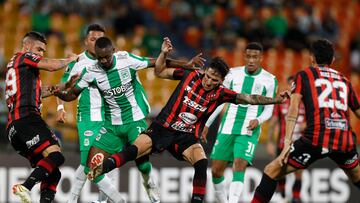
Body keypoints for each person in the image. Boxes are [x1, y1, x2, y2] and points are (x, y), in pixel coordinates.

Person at [86, 37, 288, 203]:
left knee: (201, 162)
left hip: (186, 136)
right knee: (134, 150)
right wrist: (164, 54)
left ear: (221, 82)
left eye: (214, 80)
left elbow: (250, 98)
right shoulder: (190, 75)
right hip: (162, 127)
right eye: (208, 76)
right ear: (205, 72)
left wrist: (277, 100)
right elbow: (159, 71)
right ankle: (103, 168)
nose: (209, 81)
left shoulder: (221, 93)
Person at [54, 36, 204, 203]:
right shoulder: (90, 72)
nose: (103, 61)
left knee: (143, 165)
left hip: (135, 122)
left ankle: (148, 182)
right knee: (92, 168)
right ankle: (119, 201)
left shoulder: (126, 59)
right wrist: (60, 93)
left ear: (114, 51)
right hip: (111, 126)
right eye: (100, 57)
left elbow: (156, 62)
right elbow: (72, 95)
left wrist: (186, 65)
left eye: (107, 56)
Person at [251, 39, 360, 203]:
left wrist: (287, 142)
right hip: (344, 141)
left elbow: (293, 110)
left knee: (271, 171)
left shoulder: (304, 75)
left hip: (315, 139)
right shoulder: (345, 81)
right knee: (357, 179)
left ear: (312, 57)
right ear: (332, 60)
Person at [56, 23, 155, 203]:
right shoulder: (78, 63)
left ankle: (104, 201)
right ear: (86, 41)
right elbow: (62, 87)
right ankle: (80, 200)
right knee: (88, 164)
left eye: (99, 39)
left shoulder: (119, 60)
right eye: (93, 39)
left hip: (109, 117)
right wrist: (60, 107)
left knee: (110, 164)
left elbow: (146, 66)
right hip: (88, 117)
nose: (96, 43)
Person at [5, 31, 77, 203]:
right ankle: (25, 187)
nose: (41, 54)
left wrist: (62, 87)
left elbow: (39, 92)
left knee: (53, 172)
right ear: (27, 46)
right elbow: (50, 66)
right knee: (57, 156)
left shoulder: (21, 69)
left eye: (43, 51)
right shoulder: (23, 57)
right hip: (27, 118)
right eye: (38, 49)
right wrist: (69, 60)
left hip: (15, 129)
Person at [201, 42, 278, 203]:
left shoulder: (270, 80)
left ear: (261, 58)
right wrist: (207, 124)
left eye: (255, 57)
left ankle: (234, 201)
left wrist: (259, 119)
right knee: (216, 171)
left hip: (249, 129)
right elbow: (220, 102)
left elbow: (269, 109)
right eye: (248, 56)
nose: (251, 60)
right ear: (244, 56)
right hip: (227, 126)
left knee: (239, 164)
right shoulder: (232, 75)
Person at [266, 76, 306, 203]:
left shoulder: (306, 102)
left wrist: (306, 125)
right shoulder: (282, 102)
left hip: (300, 143)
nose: (293, 88)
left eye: (295, 85)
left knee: (299, 172)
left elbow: (313, 121)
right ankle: (282, 191)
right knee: (280, 171)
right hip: (283, 143)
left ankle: (296, 197)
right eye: (291, 85)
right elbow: (273, 122)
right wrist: (270, 142)